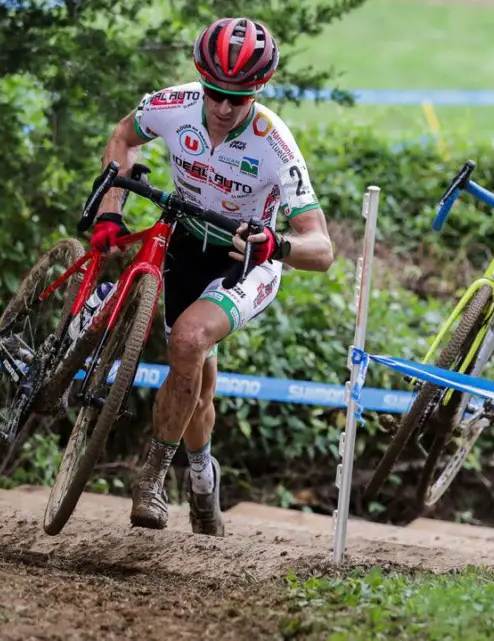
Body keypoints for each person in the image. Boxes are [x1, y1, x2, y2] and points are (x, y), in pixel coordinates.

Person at [86, 17, 335, 536]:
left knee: (188, 339)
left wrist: (278, 243)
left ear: (258, 93)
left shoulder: (274, 143)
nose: (223, 108)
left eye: (238, 99)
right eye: (215, 93)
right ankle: (202, 476)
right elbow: (122, 139)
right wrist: (112, 207)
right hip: (184, 245)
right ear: (200, 80)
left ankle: (151, 478)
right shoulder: (172, 106)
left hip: (245, 261)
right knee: (196, 387)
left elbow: (322, 249)